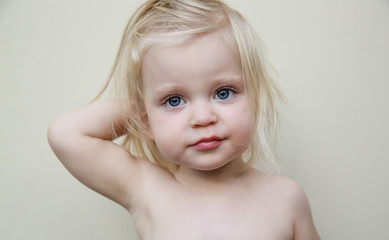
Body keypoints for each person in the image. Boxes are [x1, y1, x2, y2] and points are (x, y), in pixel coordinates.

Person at [47, 0, 320, 239]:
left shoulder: (286, 199)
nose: (202, 118)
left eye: (223, 93)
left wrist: (163, 106)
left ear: (256, 99)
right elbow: (66, 133)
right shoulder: (147, 190)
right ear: (145, 119)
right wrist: (147, 110)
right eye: (174, 100)